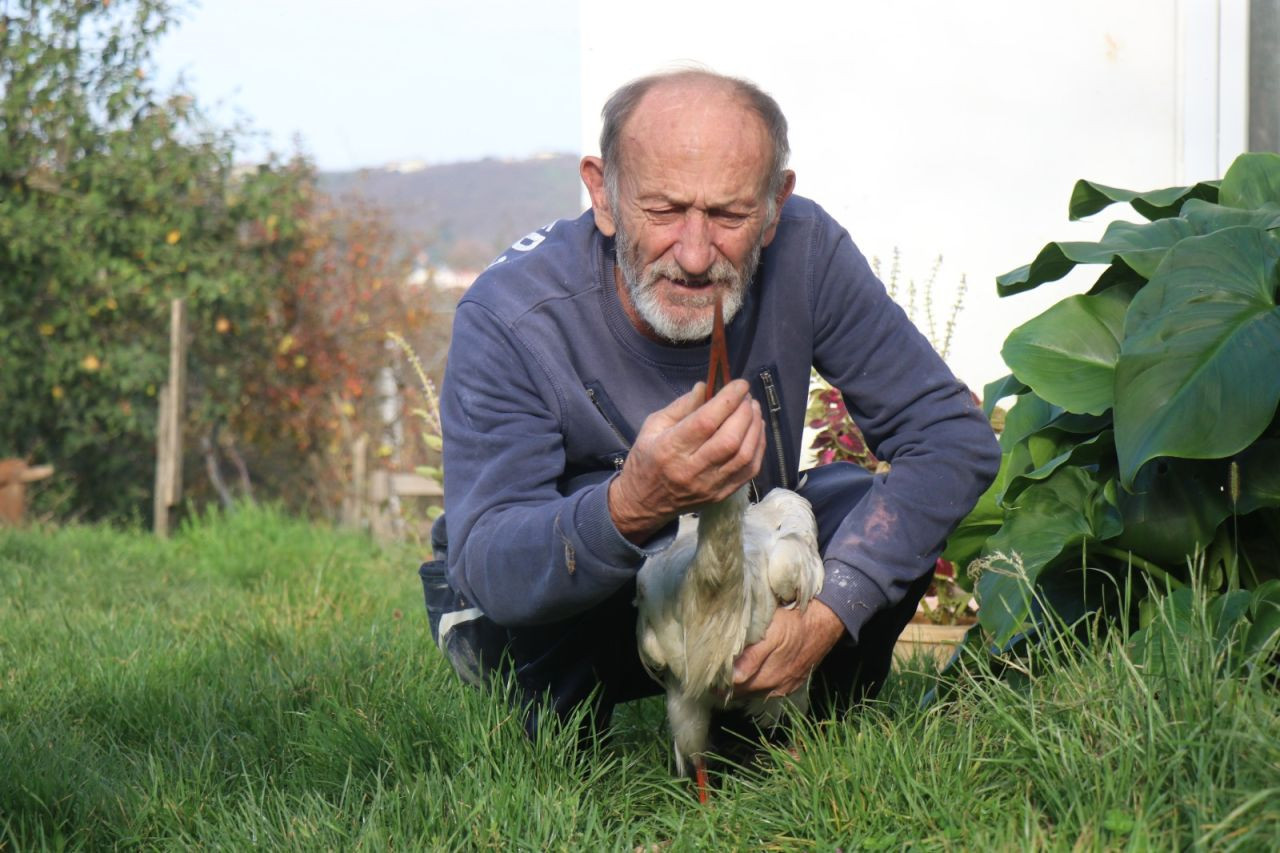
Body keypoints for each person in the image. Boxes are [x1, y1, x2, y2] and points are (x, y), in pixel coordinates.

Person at [420, 68, 1000, 745]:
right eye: (663, 210)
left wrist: (832, 609)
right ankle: (558, 747)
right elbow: (491, 557)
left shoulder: (806, 251)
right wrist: (632, 501)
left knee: (845, 503)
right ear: (602, 194)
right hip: (554, 594)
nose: (695, 255)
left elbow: (951, 437)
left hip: (730, 560)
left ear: (777, 202)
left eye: (729, 215)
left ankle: (802, 730)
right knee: (584, 534)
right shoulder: (511, 314)